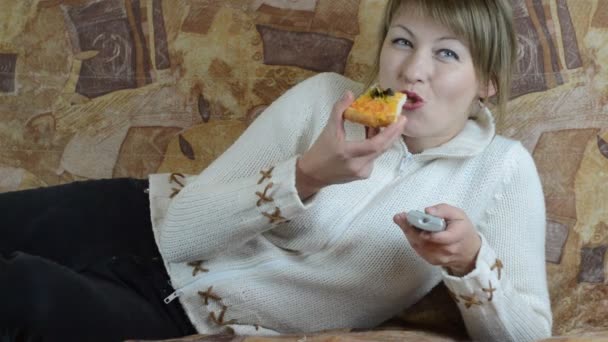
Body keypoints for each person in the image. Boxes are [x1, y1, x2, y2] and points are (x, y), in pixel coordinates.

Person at [0, 0, 552, 341]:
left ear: (488, 83)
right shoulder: (325, 100)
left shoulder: (503, 171)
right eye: (402, 41)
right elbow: (179, 229)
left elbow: (529, 334)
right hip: (134, 216)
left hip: (187, 317)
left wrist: (471, 263)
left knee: (19, 291)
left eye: (447, 54)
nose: (412, 70)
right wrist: (307, 176)